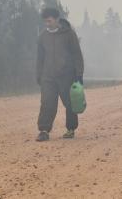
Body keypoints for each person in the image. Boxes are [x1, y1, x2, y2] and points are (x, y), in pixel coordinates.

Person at [36, 7, 84, 142]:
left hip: (66, 75)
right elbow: (40, 58)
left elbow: (77, 55)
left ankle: (70, 129)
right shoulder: (42, 36)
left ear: (57, 19)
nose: (47, 24)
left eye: (49, 21)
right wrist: (39, 75)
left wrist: (79, 75)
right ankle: (44, 130)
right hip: (48, 76)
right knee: (47, 103)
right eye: (45, 21)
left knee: (69, 103)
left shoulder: (69, 34)